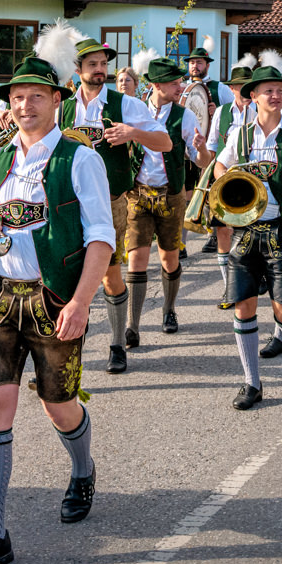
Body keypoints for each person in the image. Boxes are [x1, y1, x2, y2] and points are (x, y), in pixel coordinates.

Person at [0, 53, 115, 564]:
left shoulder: (79, 159)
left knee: (58, 404)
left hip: (55, 298)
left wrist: (81, 303)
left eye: (36, 96)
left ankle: (82, 469)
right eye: (17, 97)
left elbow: (101, 238)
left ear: (56, 101)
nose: (24, 105)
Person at [213, 51, 282, 408]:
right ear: (254, 97)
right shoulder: (239, 135)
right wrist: (232, 184)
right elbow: (219, 168)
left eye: (280, 90)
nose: (275, 95)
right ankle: (252, 382)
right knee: (243, 305)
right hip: (245, 231)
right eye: (267, 91)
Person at [58, 34, 170, 374]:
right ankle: (63, 355)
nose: (99, 69)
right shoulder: (62, 107)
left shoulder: (126, 105)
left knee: (109, 274)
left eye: (103, 64)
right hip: (68, 205)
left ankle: (117, 343)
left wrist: (132, 134)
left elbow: (165, 142)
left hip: (110, 203)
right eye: (92, 64)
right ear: (77, 69)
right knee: (64, 277)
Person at [122, 53, 208, 345]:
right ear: (157, 85)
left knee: (169, 258)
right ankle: (132, 325)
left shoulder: (184, 115)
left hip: (171, 195)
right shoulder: (135, 110)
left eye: (179, 82)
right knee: (136, 258)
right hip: (138, 193)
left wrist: (202, 149)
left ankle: (168, 309)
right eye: (173, 83)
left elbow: (201, 162)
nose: (180, 87)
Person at [206, 58, 256, 264]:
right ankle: (227, 277)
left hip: (251, 177)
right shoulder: (221, 111)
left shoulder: (259, 111)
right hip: (224, 175)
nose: (244, 91)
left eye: (248, 86)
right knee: (223, 228)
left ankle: (246, 269)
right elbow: (212, 145)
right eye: (240, 86)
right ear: (232, 88)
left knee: (249, 229)